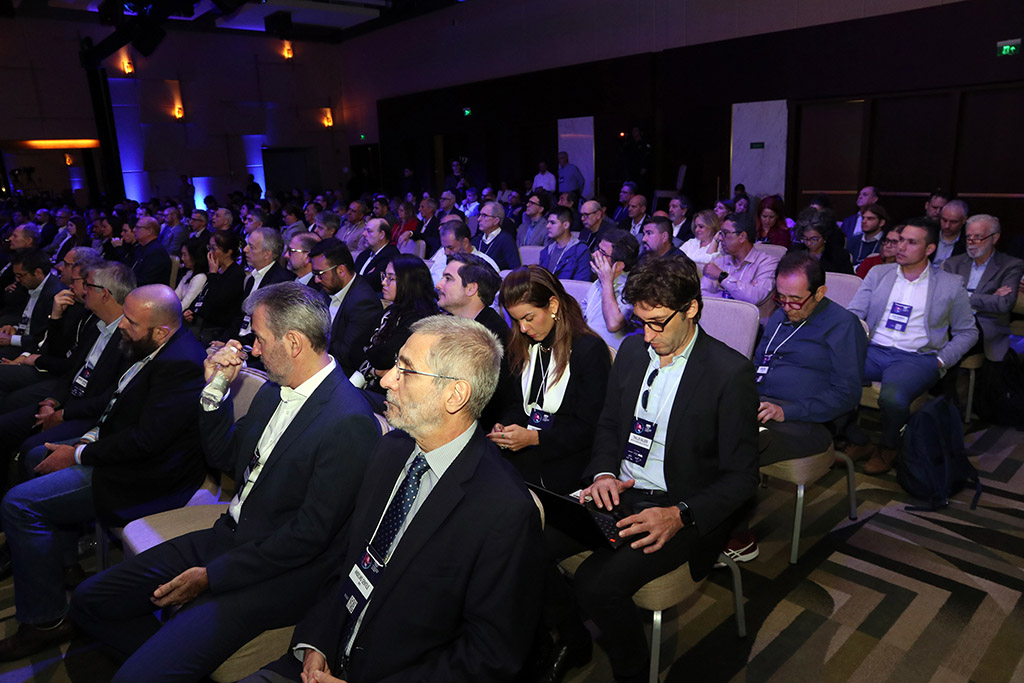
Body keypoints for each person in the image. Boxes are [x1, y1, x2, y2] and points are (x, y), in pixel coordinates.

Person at [71, 282, 381, 682]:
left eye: (260, 338)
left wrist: (211, 575)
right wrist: (215, 389)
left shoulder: (349, 421)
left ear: (293, 343)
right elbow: (224, 458)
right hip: (229, 536)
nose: (254, 349)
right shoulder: (275, 390)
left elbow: (307, 538)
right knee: (90, 600)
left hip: (275, 572)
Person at [244, 315, 543, 683]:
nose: (386, 380)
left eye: (406, 370)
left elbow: (489, 656)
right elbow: (347, 560)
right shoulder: (390, 450)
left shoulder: (504, 510)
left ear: (455, 395)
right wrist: (316, 642)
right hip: (319, 660)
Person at [562, 254, 758, 683]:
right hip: (622, 490)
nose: (647, 336)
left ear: (692, 308)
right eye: (641, 322)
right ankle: (570, 643)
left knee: (596, 584)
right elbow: (609, 424)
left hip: (681, 505)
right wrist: (603, 474)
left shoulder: (730, 373)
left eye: (657, 323)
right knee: (528, 539)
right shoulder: (633, 350)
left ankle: (632, 675)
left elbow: (744, 478)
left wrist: (680, 514)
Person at [0, 284, 207, 661]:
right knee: (35, 457)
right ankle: (61, 564)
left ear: (161, 330)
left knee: (18, 504)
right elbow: (117, 405)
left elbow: (147, 442)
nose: (122, 325)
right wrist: (87, 440)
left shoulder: (182, 365)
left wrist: (79, 453)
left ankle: (44, 622)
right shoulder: (149, 346)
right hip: (124, 452)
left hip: (148, 476)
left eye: (131, 321)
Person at [724, 252, 867, 560]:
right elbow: (758, 365)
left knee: (736, 443)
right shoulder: (780, 316)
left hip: (809, 423)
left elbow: (847, 395)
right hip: (762, 408)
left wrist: (786, 411)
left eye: (796, 300)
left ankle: (739, 537)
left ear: (820, 293)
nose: (787, 307)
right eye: (781, 298)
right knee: (701, 424)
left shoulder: (843, 326)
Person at [847, 219, 978, 474]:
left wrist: (941, 360)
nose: (901, 247)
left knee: (892, 398)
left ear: (929, 249)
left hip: (915, 357)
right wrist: (852, 341)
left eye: (911, 242)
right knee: (829, 372)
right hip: (873, 349)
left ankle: (888, 447)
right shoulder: (879, 274)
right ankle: (857, 439)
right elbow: (855, 314)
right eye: (900, 240)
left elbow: (968, 331)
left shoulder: (950, 284)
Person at [490, 265, 611, 492]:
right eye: (516, 321)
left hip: (568, 461)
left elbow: (591, 427)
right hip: (524, 455)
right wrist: (504, 426)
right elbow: (518, 405)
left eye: (529, 318)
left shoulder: (588, 350)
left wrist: (535, 438)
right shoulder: (522, 345)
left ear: (553, 306)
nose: (523, 328)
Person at [354, 255, 439, 400]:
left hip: (392, 395)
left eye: (391, 278)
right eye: (384, 276)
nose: (383, 282)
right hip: (371, 386)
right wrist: (374, 370)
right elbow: (354, 349)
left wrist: (370, 356)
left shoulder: (420, 319)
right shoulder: (392, 310)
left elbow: (384, 357)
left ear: (409, 282)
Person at [942, 214, 1024, 362]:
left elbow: (1003, 304)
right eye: (968, 237)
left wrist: (962, 296)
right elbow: (943, 298)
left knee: (949, 344)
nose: (971, 242)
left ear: (994, 238)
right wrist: (988, 298)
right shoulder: (953, 263)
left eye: (978, 237)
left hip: (985, 326)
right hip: (950, 321)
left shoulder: (1010, 265)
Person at [308, 238, 381, 377]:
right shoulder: (327, 289)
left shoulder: (364, 302)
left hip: (340, 374)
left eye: (320, 274)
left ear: (341, 270)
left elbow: (347, 355)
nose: (316, 280)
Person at [0, 249, 67, 360]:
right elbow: (28, 320)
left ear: (38, 273)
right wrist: (14, 328)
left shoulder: (55, 295)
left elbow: (43, 338)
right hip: (23, 340)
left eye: (20, 276)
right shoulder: (34, 285)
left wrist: (11, 339)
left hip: (33, 350)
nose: (17, 280)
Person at [701, 214, 779, 309]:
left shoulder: (767, 263)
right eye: (721, 233)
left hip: (753, 319)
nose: (720, 238)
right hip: (718, 316)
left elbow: (754, 297)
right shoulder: (719, 262)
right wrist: (741, 292)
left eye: (725, 233)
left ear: (742, 236)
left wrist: (722, 277)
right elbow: (702, 295)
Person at [232, 228, 295, 343]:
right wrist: (225, 340)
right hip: (240, 339)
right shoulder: (251, 278)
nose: (245, 249)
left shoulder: (280, 282)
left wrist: (236, 343)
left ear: (267, 254)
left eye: (252, 247)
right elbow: (240, 316)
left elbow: (268, 328)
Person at [584, 229, 639, 351]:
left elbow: (613, 324)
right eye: (598, 249)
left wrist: (607, 283)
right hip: (588, 346)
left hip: (609, 353)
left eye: (603, 253)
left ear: (618, 266)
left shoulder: (631, 288)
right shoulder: (597, 283)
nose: (595, 254)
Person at [185, 232, 244, 343]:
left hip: (218, 330)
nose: (210, 253)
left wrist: (213, 274)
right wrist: (193, 311)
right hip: (203, 323)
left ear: (228, 252)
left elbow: (217, 302)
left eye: (214, 249)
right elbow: (204, 296)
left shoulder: (236, 274)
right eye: (209, 248)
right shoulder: (218, 270)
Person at [428, 219, 499, 287]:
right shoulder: (441, 259)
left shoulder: (486, 265)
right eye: (444, 248)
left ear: (465, 243)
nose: (446, 252)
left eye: (451, 248)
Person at [793, 208, 853, 274]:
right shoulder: (795, 251)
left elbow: (849, 278)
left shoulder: (839, 256)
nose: (809, 243)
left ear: (825, 237)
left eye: (814, 239)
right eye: (805, 238)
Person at [539, 207, 590, 280]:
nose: (547, 226)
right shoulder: (546, 251)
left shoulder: (580, 250)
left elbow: (581, 283)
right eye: (548, 222)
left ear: (566, 225)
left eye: (552, 223)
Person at [353, 218, 399, 294]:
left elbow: (374, 283)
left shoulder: (391, 255)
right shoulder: (364, 254)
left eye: (369, 231)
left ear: (382, 235)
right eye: (364, 230)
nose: (363, 234)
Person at [473, 201, 521, 271]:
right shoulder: (476, 240)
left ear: (496, 221)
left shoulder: (506, 240)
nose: (479, 219)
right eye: (479, 215)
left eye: (484, 216)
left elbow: (516, 269)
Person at [846, 203, 888, 268]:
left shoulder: (887, 243)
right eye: (863, 218)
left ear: (881, 223)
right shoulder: (853, 241)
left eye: (870, 218)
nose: (864, 221)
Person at [174, 239, 208, 311]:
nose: (182, 258)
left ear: (194, 256)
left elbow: (185, 305)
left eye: (185, 255)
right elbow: (174, 297)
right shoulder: (189, 274)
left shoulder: (200, 278)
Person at [933, 199, 968, 266]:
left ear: (964, 220)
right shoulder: (930, 233)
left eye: (953, 222)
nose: (947, 226)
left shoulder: (967, 242)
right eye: (944, 220)